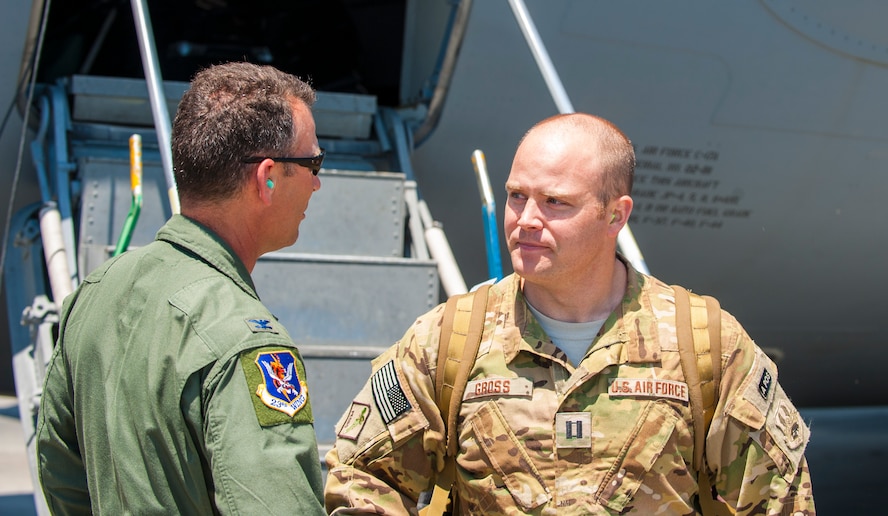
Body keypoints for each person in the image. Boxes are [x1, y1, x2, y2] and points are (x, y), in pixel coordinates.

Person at [324, 113, 815, 514]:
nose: (526, 220)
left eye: (555, 202)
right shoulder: (449, 339)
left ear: (615, 215)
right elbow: (362, 479)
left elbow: (780, 501)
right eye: (517, 196)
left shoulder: (704, 344)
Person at [36, 62, 327, 514]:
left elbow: (61, 475)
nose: (317, 182)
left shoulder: (94, 292)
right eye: (312, 162)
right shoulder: (244, 342)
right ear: (266, 177)